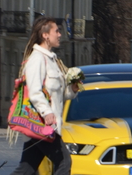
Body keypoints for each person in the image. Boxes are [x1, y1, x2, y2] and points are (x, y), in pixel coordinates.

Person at [11, 17, 79, 175]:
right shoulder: (37, 60)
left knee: (26, 169)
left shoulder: (52, 60)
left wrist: (73, 89)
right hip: (42, 125)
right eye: (57, 31)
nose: (60, 34)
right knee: (64, 161)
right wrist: (47, 112)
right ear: (45, 35)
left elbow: (58, 94)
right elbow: (34, 91)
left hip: (45, 126)